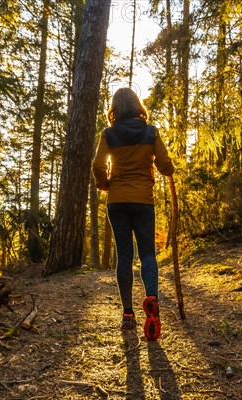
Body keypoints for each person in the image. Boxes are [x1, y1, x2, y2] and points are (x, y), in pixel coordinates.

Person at [92, 88, 174, 341]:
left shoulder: (108, 134)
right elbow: (163, 163)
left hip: (117, 200)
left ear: (115, 108)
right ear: (137, 105)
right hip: (143, 202)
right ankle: (152, 300)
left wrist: (103, 183)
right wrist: (167, 169)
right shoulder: (150, 132)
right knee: (148, 253)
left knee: (124, 255)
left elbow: (97, 164)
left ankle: (128, 313)